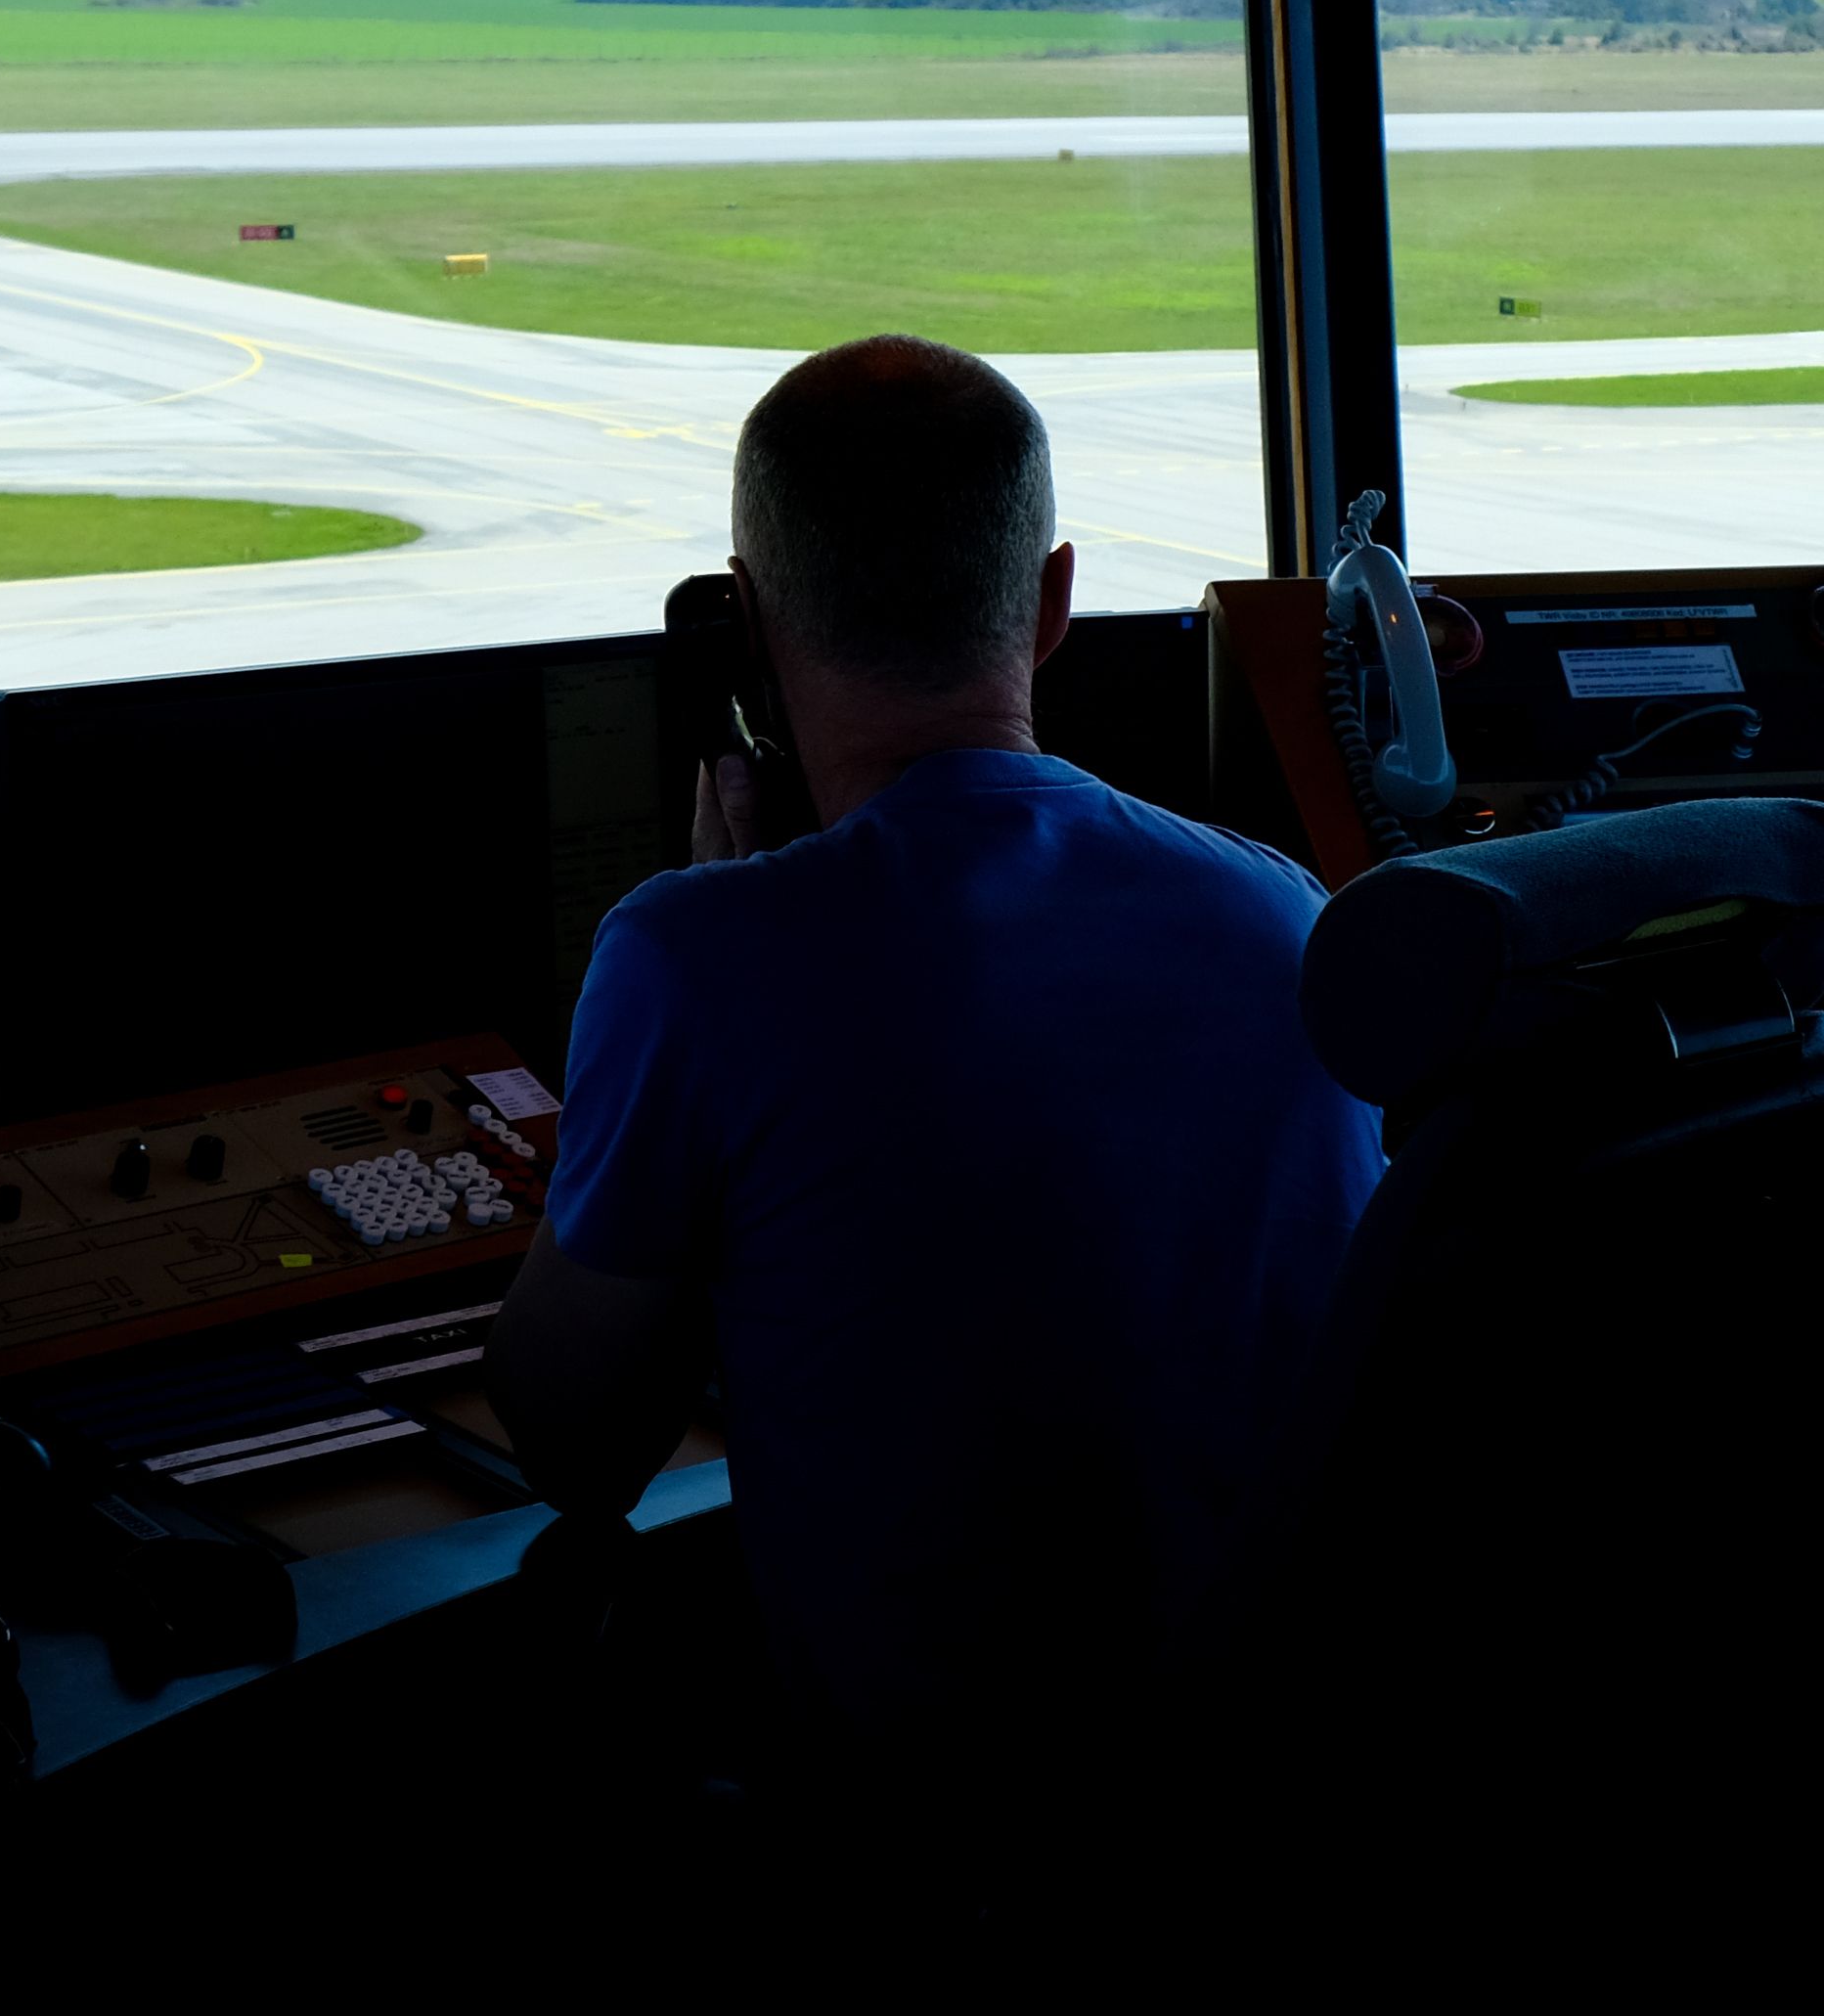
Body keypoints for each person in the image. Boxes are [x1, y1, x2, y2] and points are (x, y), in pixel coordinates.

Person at [494, 335, 1379, 1750]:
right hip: (1282, 1807)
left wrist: (690, 971)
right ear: (1051, 605)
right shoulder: (1288, 916)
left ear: (743, 618)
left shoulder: (697, 957)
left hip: (936, 1859)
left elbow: (573, 1445)